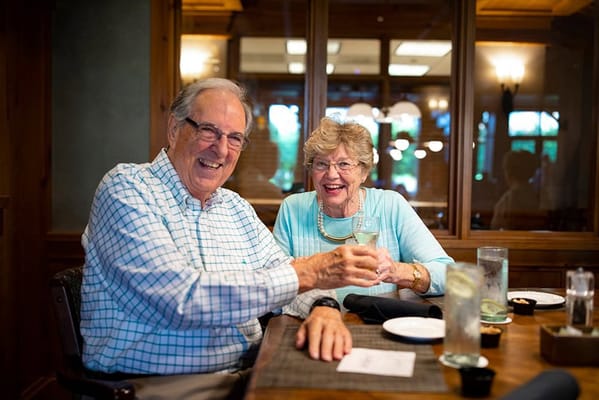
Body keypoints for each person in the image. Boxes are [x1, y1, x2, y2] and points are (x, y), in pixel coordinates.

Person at [79, 78, 384, 400]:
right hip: (161, 385)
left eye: (235, 138)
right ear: (174, 128)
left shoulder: (234, 207)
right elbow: (183, 300)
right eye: (208, 131)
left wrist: (323, 306)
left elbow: (281, 271)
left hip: (248, 371)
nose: (221, 149)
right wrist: (309, 273)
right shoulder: (128, 189)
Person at [273, 117, 454, 304]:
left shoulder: (389, 205)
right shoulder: (292, 208)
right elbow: (275, 283)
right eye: (321, 164)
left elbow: (448, 274)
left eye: (344, 164)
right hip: (311, 321)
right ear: (312, 169)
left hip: (375, 324)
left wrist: (397, 271)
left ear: (364, 171)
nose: (332, 174)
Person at [490, 150, 541, 230]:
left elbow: (495, 227)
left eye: (505, 169)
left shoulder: (509, 199)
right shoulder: (537, 196)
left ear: (508, 172)